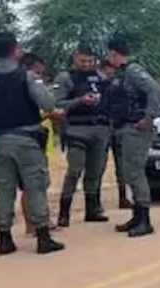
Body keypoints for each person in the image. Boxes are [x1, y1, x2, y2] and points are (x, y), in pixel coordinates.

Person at [0, 31, 65, 255]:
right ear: (14, 49)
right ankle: (43, 236)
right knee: (35, 187)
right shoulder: (25, 75)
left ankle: (5, 238)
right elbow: (48, 103)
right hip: (26, 139)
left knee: (5, 189)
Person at [105, 37, 160, 237]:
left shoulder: (133, 71)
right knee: (129, 173)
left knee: (136, 172)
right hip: (124, 128)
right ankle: (137, 216)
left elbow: (155, 90)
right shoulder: (122, 73)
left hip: (135, 129)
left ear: (114, 53)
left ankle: (145, 220)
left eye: (109, 54)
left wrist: (149, 117)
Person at [52, 44, 110, 227]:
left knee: (95, 171)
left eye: (90, 61)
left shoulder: (100, 76)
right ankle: (64, 212)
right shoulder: (65, 78)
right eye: (82, 60)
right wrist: (80, 101)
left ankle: (92, 209)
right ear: (74, 58)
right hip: (76, 129)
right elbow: (57, 103)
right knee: (74, 170)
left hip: (99, 129)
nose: (86, 64)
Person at [19, 52, 58, 236]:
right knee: (31, 184)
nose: (39, 76)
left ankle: (42, 220)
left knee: (41, 183)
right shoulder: (24, 86)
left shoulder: (34, 85)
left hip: (42, 138)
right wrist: (51, 114)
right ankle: (32, 224)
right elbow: (33, 113)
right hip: (30, 139)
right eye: (37, 71)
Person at [99, 59, 132, 209]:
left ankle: (123, 197)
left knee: (122, 166)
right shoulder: (99, 85)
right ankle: (95, 202)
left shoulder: (120, 85)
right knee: (99, 166)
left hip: (117, 127)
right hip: (103, 128)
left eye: (110, 69)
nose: (108, 72)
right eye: (106, 69)